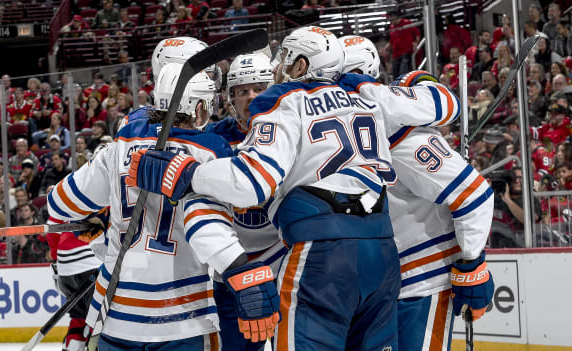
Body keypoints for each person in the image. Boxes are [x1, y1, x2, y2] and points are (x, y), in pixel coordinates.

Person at [127, 26, 462, 350]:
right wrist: (414, 81)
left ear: (302, 64)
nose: (276, 70)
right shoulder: (365, 94)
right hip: (382, 248)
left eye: (285, 57)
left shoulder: (284, 101)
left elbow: (250, 183)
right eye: (241, 90)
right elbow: (447, 105)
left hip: (320, 252)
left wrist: (186, 173)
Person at [46, 62, 277, 350]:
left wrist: (106, 215)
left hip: (118, 318)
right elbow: (206, 227)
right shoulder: (210, 149)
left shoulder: (120, 144)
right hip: (184, 318)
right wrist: (241, 271)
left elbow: (59, 202)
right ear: (199, 108)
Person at [341, 41, 494, 351]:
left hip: (420, 282)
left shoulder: (400, 130)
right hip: (376, 285)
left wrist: (471, 262)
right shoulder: (335, 134)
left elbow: (474, 194)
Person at [204, 53, 287, 350]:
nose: (251, 97)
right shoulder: (214, 138)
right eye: (243, 91)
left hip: (284, 258)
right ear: (230, 99)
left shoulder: (290, 128)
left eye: (259, 88)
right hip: (234, 265)